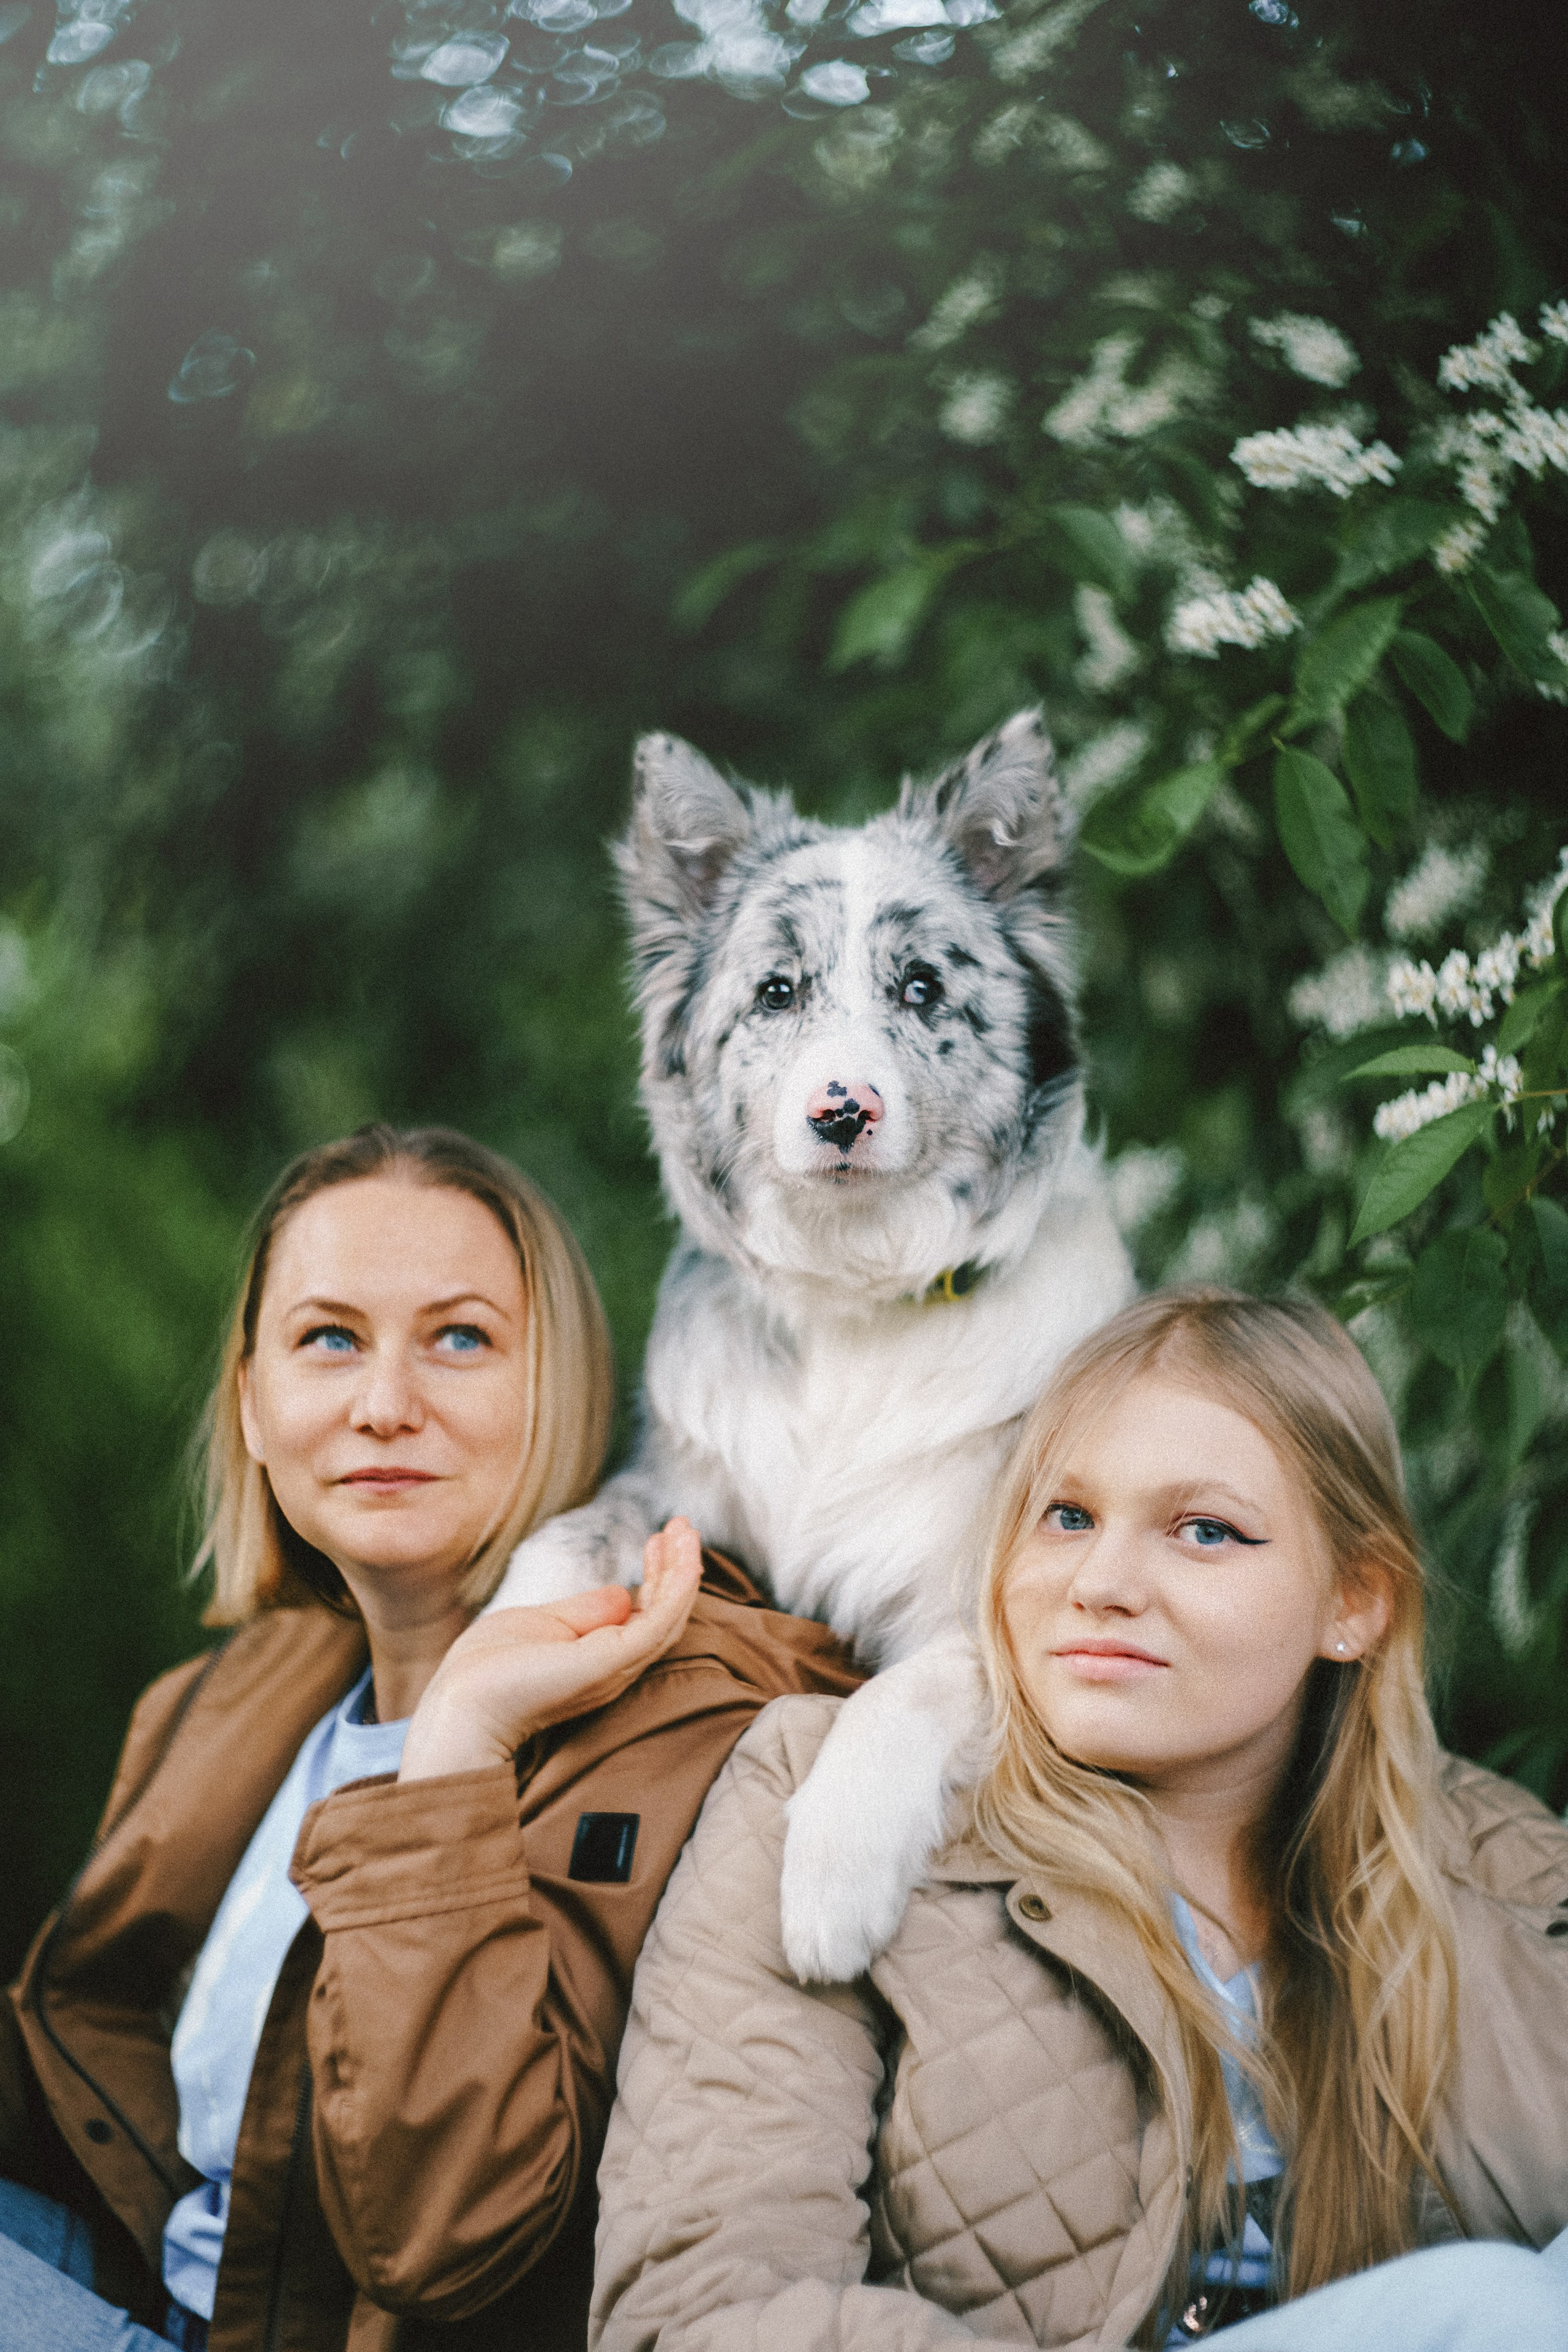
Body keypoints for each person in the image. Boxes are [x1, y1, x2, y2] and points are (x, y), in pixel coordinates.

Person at [1, 1123, 861, 2352]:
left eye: (459, 1339)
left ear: (561, 1384)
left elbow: (454, 2239)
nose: (386, 1405)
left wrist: (456, 1746)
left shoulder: (694, 1733)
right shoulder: (238, 1693)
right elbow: (71, 2061)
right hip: (160, 2288)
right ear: (251, 1404)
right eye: (328, 1340)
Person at [591, 1286, 1568, 2351]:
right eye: (1067, 1516)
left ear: (1354, 1602)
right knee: (1494, 2308)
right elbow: (696, 2315)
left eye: (1203, 1532)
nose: (1102, 1583)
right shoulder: (826, 1804)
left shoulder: (1515, 1877)